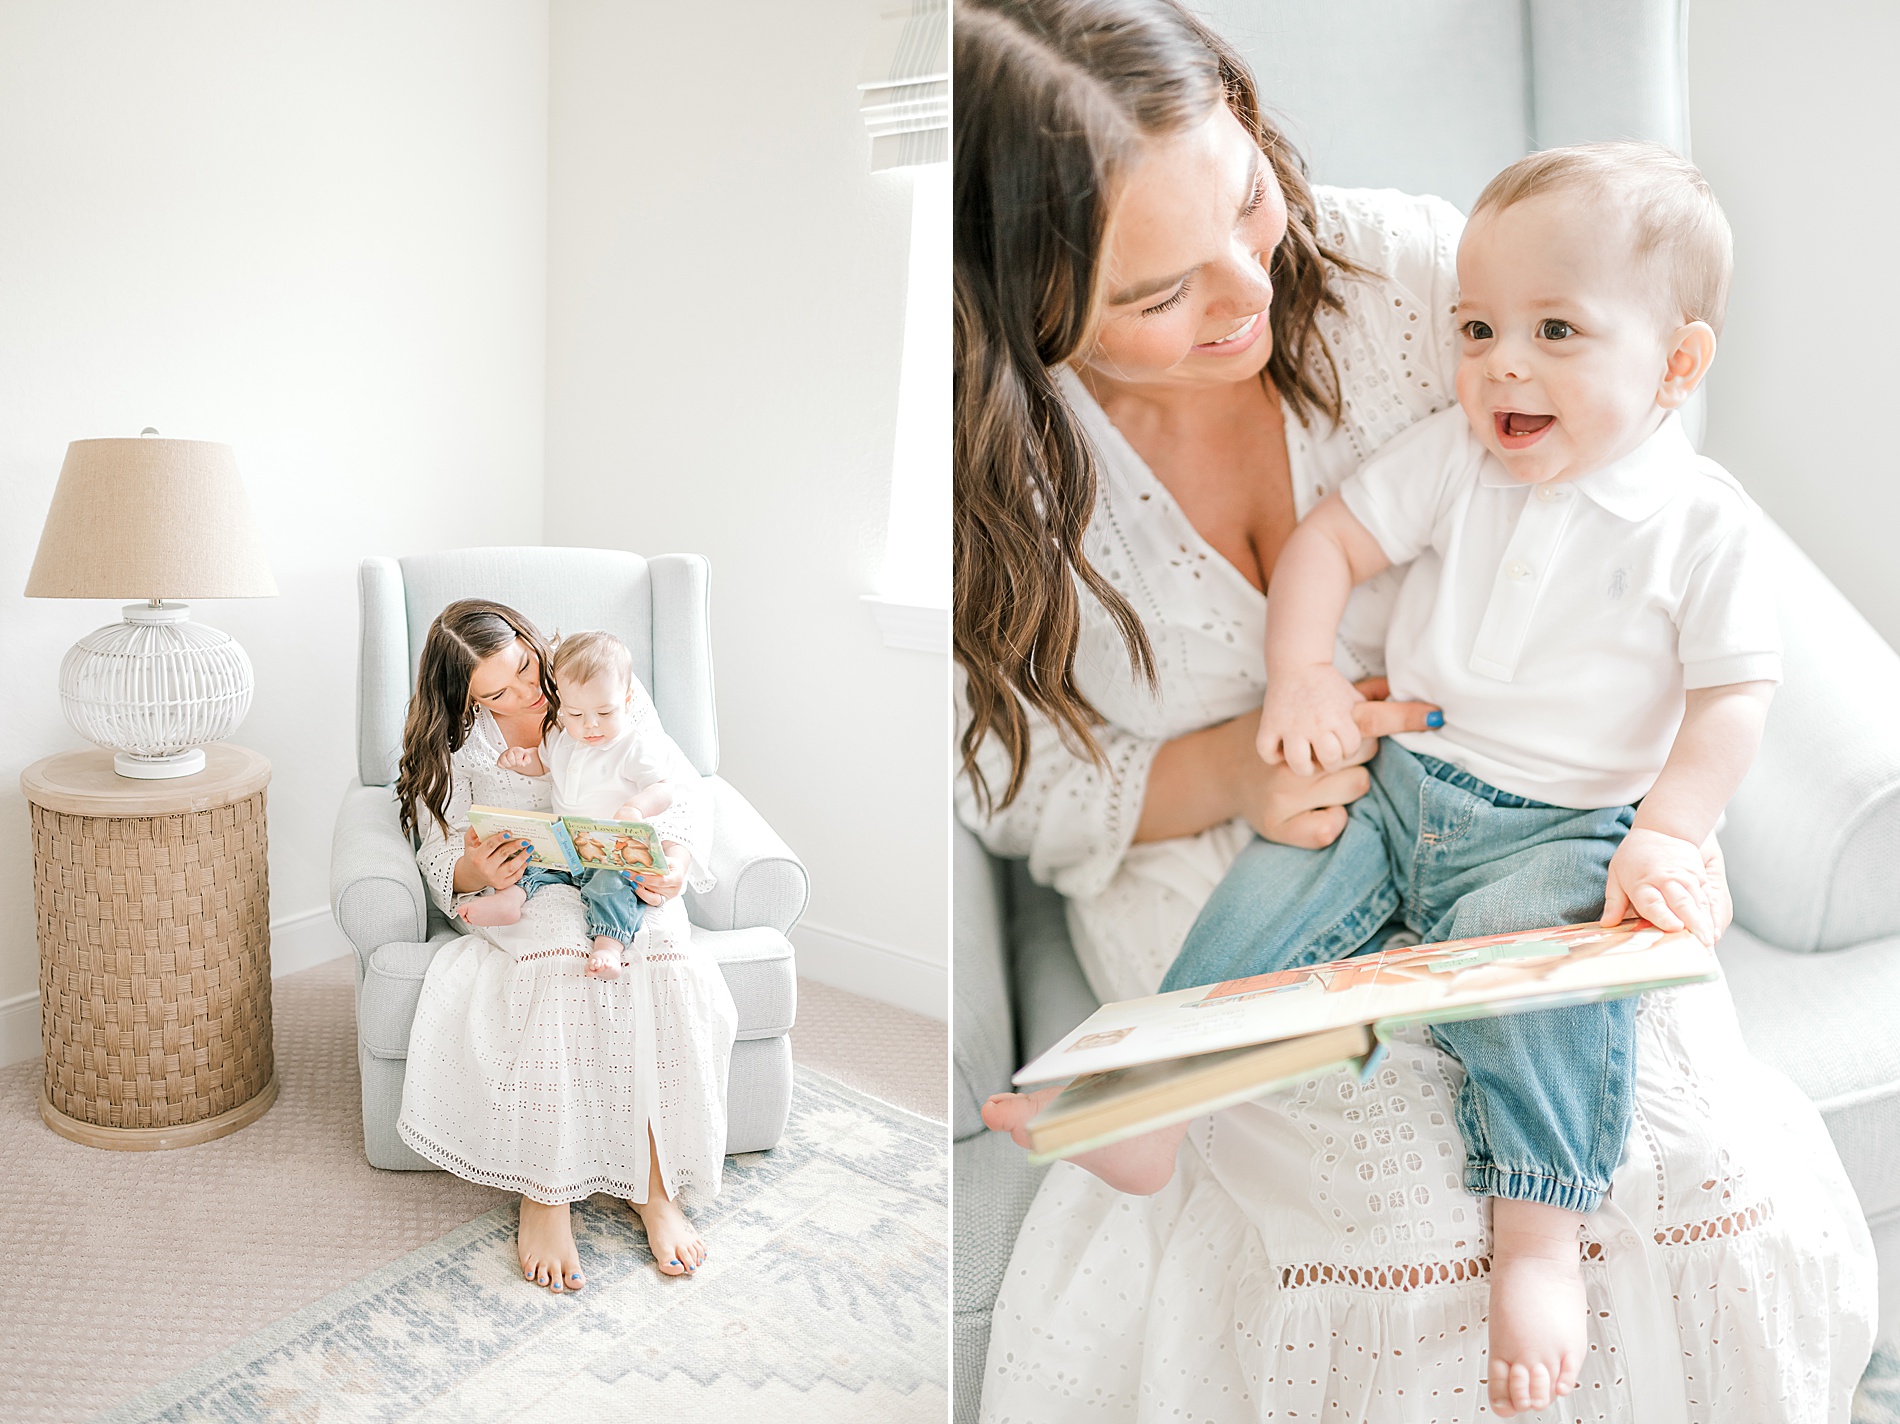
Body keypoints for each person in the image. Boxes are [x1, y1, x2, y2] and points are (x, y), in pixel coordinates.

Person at [954, 1, 1876, 1418]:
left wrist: (1666, 828)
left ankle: (1543, 1228)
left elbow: (1634, 470)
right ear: (1018, 302)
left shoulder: (1431, 284)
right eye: (1158, 297)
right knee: (1376, 1217)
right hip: (1257, 831)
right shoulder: (988, 471)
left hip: (1558, 824)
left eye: (1249, 200)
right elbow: (1007, 777)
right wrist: (1245, 767)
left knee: (1674, 1161)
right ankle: (1151, 1085)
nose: (1250, 295)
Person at [394, 600, 737, 1289]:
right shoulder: (462, 748)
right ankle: (545, 1192)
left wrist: (671, 860)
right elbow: (440, 852)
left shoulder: (595, 681)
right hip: (532, 883)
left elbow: (681, 786)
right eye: (497, 692)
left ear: (529, 640)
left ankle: (653, 1185)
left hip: (620, 864)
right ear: (465, 699)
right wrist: (474, 870)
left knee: (661, 960)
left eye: (524, 668)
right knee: (566, 969)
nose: (525, 693)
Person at [459, 629, 681, 985]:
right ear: (561, 703)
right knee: (528, 859)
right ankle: (509, 900)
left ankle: (608, 944)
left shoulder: (634, 746)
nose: (590, 725)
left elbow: (664, 789)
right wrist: (523, 760)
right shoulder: (563, 738)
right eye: (576, 713)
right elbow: (544, 763)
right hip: (566, 846)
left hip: (610, 850)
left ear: (626, 700)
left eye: (604, 712)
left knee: (610, 887)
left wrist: (636, 809)